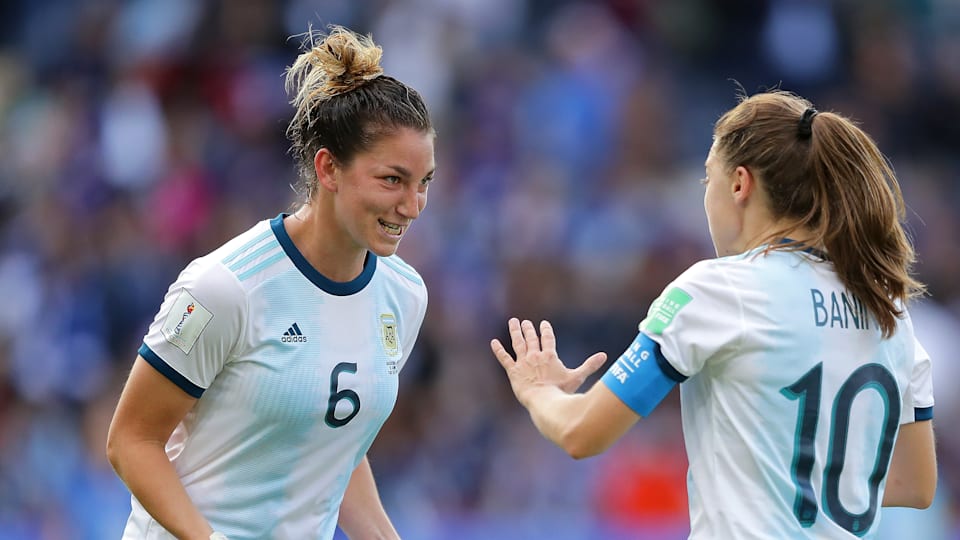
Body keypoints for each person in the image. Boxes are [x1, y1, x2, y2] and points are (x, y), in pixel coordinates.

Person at [491, 90, 937, 538]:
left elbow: (581, 433)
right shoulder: (890, 310)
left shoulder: (721, 289)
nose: (707, 198)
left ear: (740, 184)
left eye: (709, 181)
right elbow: (916, 485)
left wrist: (539, 390)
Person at [106, 25, 435, 540]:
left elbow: (333, 450)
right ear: (328, 168)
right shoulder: (225, 288)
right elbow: (131, 441)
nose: (412, 206)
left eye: (424, 184)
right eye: (392, 180)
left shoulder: (404, 295)